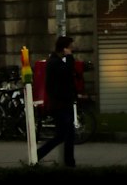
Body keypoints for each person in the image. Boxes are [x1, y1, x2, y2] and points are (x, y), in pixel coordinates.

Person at [36, 35, 77, 167]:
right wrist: (69, 57)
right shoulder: (55, 62)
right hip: (61, 104)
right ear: (64, 48)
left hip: (63, 103)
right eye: (70, 47)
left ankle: (69, 161)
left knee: (68, 135)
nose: (72, 49)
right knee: (63, 135)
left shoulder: (56, 61)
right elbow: (67, 72)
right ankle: (39, 154)